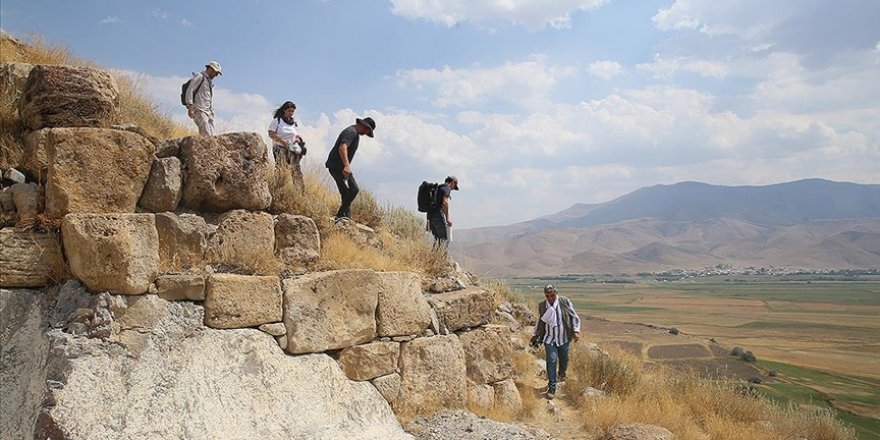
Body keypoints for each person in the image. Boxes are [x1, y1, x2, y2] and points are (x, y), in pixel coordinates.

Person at [530, 284, 581, 399]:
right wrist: (535, 335)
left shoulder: (565, 302)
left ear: (556, 293)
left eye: (552, 295)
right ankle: (552, 387)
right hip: (550, 338)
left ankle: (561, 374)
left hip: (564, 338)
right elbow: (540, 321)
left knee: (564, 359)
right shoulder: (543, 306)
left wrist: (576, 331)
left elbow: (574, 317)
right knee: (551, 360)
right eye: (547, 296)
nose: (550, 298)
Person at [325, 116, 376, 221]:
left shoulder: (355, 133)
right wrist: (346, 165)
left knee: (346, 192)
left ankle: (346, 217)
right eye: (367, 130)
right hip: (337, 166)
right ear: (363, 125)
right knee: (354, 189)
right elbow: (342, 147)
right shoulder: (351, 132)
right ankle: (340, 215)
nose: (366, 132)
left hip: (336, 166)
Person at [184, 61, 222, 135]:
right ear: (211, 69)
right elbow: (190, 90)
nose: (216, 75)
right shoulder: (199, 76)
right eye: (216, 72)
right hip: (199, 110)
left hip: (209, 112)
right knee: (206, 134)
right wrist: (190, 107)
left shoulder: (209, 81)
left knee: (213, 136)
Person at [427, 176, 460, 247]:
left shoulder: (438, 188)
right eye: (454, 187)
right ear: (452, 182)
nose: (453, 189)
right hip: (438, 216)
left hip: (431, 217)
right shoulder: (446, 188)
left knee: (437, 240)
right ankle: (441, 257)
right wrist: (448, 218)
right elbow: (445, 203)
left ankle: (434, 257)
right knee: (443, 241)